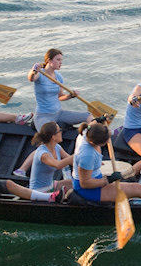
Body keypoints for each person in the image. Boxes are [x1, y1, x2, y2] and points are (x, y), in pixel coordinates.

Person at [13, 49, 91, 177]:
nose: (61, 62)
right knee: (49, 142)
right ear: (49, 60)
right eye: (58, 60)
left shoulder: (58, 77)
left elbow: (60, 97)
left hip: (59, 113)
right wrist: (34, 70)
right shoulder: (40, 74)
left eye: (61, 60)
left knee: (88, 116)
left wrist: (70, 96)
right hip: (43, 116)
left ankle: (89, 143)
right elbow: (31, 78)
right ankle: (22, 169)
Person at [28, 122, 73, 193]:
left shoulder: (57, 147)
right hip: (39, 191)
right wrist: (75, 156)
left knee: (77, 183)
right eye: (59, 130)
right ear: (53, 137)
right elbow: (58, 165)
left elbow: (72, 161)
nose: (61, 132)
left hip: (51, 185)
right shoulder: (43, 154)